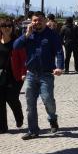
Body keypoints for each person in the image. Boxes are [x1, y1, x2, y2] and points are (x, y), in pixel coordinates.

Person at [13, 12, 64, 140]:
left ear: (45, 20)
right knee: (30, 104)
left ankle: (52, 118)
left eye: (40, 20)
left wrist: (59, 67)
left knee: (48, 100)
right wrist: (26, 35)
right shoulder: (28, 34)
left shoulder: (52, 35)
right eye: (35, 20)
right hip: (31, 74)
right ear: (31, 21)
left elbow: (59, 51)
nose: (37, 22)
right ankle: (33, 130)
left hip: (46, 74)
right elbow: (15, 46)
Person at [0, 19, 25, 133]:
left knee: (11, 98)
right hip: (1, 75)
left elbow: (24, 59)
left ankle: (19, 116)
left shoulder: (17, 42)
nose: (7, 28)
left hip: (15, 75)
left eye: (9, 26)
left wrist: (24, 72)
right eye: (4, 26)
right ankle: (2, 127)